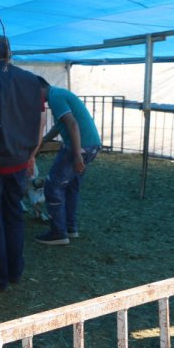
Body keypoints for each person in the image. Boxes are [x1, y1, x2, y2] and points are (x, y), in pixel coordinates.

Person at [0, 35, 43, 290]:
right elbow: (39, 120)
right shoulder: (30, 80)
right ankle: (14, 270)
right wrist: (30, 154)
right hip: (20, 160)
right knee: (14, 215)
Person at [35, 76, 101, 245]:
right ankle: (70, 228)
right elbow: (60, 126)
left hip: (79, 147)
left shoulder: (55, 97)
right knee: (71, 186)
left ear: (39, 88)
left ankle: (58, 232)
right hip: (92, 144)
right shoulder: (59, 94)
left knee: (53, 185)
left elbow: (72, 125)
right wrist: (42, 142)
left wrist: (77, 154)